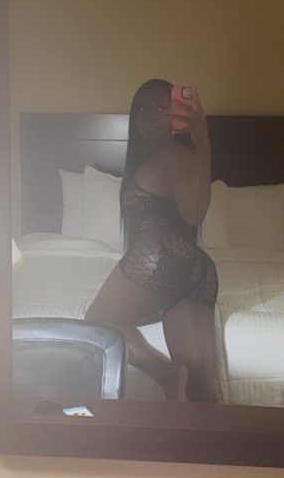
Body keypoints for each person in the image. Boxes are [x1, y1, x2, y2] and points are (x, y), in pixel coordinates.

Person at [84, 78, 221, 402]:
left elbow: (193, 214)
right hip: (193, 271)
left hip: (159, 260)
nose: (150, 115)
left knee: (96, 324)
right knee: (200, 385)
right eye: (143, 108)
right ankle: (213, 430)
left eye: (161, 108)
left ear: (176, 117)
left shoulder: (174, 155)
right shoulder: (152, 159)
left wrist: (203, 146)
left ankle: (164, 373)